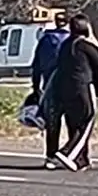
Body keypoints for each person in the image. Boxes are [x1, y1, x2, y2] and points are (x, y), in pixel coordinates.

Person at [50, 13, 98, 172]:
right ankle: (67, 152)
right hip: (83, 86)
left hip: (65, 88)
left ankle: (82, 159)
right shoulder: (85, 46)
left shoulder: (65, 45)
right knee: (87, 121)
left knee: (74, 124)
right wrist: (94, 40)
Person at [30, 11, 70, 166]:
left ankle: (50, 156)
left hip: (49, 86)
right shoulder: (71, 40)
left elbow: (36, 65)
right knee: (74, 122)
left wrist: (35, 87)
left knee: (52, 123)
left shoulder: (45, 39)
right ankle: (73, 155)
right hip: (70, 86)